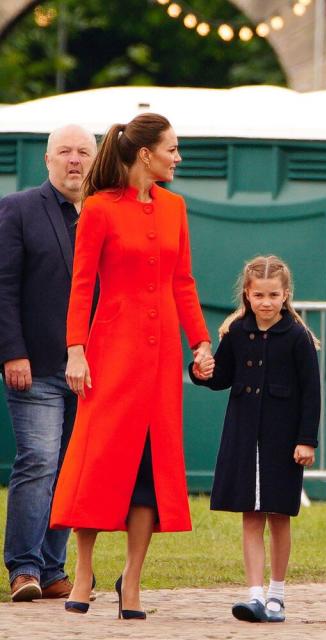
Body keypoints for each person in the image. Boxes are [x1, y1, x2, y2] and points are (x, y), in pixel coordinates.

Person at [49, 113, 213, 618]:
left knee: (148, 470)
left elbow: (182, 282)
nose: (178, 158)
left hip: (161, 356)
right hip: (110, 352)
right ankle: (81, 572)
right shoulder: (97, 209)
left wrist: (201, 343)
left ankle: (133, 582)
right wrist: (76, 349)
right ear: (146, 154)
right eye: (173, 148)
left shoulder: (175, 207)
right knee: (98, 461)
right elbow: (80, 286)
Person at [189, 255, 321, 623]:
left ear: (286, 295)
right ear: (247, 294)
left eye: (273, 295)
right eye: (259, 294)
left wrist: (306, 440)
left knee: (279, 516)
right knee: (250, 516)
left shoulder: (297, 337)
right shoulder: (236, 334)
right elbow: (221, 377)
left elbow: (312, 393)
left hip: (283, 441)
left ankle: (277, 594)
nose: (266, 302)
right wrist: (201, 371)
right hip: (244, 437)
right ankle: (254, 594)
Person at [0, 125, 97, 601]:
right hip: (35, 364)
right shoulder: (18, 209)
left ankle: (54, 568)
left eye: (83, 151)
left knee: (70, 467)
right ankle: (23, 569)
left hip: (93, 370)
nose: (74, 160)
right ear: (47, 160)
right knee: (38, 461)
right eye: (65, 152)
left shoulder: (104, 213)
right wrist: (11, 351)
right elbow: (3, 286)